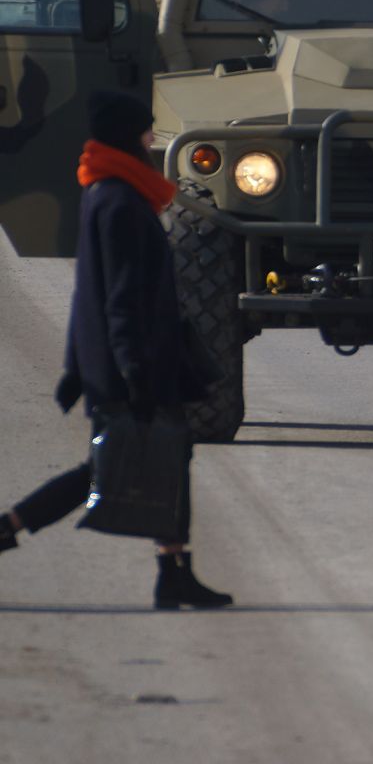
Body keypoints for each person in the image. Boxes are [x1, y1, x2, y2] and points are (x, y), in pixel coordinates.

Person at [0, 91, 232, 610]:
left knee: (165, 457)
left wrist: (77, 364)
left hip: (128, 359)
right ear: (129, 136)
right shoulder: (123, 202)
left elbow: (91, 289)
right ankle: (11, 527)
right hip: (136, 362)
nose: (153, 140)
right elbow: (119, 297)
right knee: (110, 469)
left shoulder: (108, 192)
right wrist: (134, 373)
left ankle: (174, 571)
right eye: (147, 131)